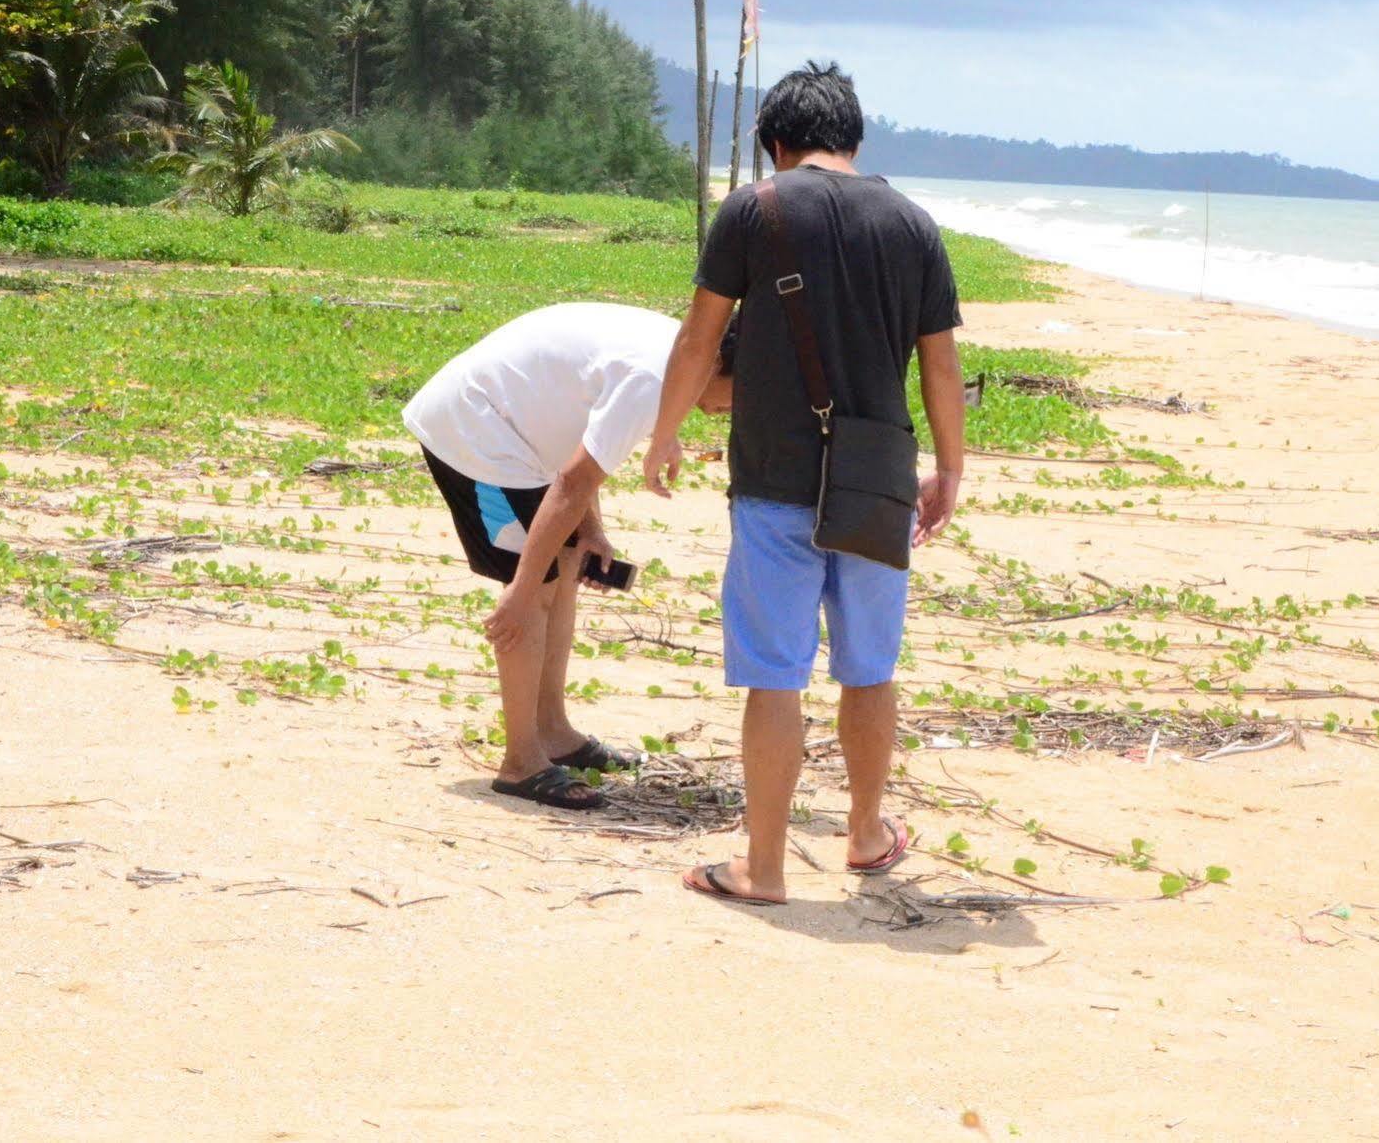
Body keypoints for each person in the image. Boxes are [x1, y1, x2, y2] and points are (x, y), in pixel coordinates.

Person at [644, 62, 966, 903]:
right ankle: (864, 832)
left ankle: (767, 866)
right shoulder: (914, 224)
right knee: (868, 667)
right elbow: (940, 364)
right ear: (853, 138)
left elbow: (697, 338)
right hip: (878, 480)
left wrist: (665, 432)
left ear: (775, 143)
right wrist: (950, 469)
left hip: (774, 477)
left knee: (774, 672)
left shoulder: (755, 209)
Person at [404, 302, 736, 810]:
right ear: (717, 365)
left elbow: (580, 448)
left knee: (562, 569)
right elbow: (574, 479)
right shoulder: (651, 378)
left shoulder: (678, 355)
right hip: (476, 433)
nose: (728, 410)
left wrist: (592, 532)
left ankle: (554, 733)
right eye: (740, 393)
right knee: (532, 590)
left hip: (520, 435)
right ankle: (520, 762)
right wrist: (518, 589)